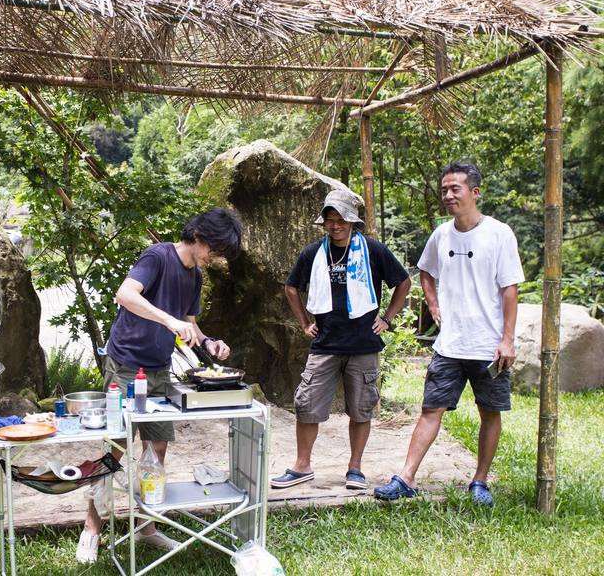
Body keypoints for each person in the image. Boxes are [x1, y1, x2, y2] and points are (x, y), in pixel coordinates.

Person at [76, 208, 243, 564]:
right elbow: (125, 295)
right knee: (115, 448)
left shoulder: (195, 276)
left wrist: (209, 343)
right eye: (214, 249)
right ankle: (91, 530)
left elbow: (190, 327)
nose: (214, 258)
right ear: (199, 237)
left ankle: (146, 528)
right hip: (124, 367)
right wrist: (168, 320)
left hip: (158, 370)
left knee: (158, 450)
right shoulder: (158, 256)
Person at [374, 162, 524, 507]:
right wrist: (434, 305)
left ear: (475, 192)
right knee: (431, 409)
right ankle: (406, 478)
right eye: (444, 190)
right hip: (450, 345)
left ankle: (480, 482)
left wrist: (507, 339)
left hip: (488, 345)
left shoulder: (499, 234)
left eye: (455, 188)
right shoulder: (441, 235)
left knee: (490, 412)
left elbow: (510, 291)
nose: (448, 195)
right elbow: (425, 271)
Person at [271, 189, 411, 491]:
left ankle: (355, 468)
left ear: (352, 222)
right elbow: (292, 287)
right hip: (325, 343)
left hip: (363, 344)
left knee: (361, 409)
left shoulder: (373, 251)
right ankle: (302, 466)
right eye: (329, 220)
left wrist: (386, 319)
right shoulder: (313, 253)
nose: (334, 226)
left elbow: (404, 282)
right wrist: (305, 322)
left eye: (340, 220)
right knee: (307, 404)